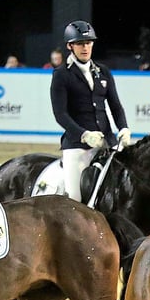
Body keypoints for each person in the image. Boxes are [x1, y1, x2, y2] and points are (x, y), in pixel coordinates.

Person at [49, 19, 131, 202]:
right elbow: (60, 114)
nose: (85, 47)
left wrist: (123, 128)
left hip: (108, 144)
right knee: (75, 199)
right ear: (70, 46)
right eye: (79, 44)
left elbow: (116, 106)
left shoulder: (103, 72)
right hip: (77, 147)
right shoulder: (62, 75)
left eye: (88, 43)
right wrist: (84, 135)